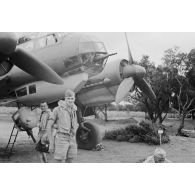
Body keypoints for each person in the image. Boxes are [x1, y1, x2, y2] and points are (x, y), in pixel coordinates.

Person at [47, 89, 79, 163]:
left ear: (74, 99)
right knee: (60, 161)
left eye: (72, 98)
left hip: (72, 138)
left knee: (70, 160)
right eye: (68, 98)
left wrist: (75, 130)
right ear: (65, 98)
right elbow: (49, 125)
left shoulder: (74, 109)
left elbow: (75, 124)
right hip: (61, 138)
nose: (70, 100)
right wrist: (51, 143)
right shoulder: (57, 109)